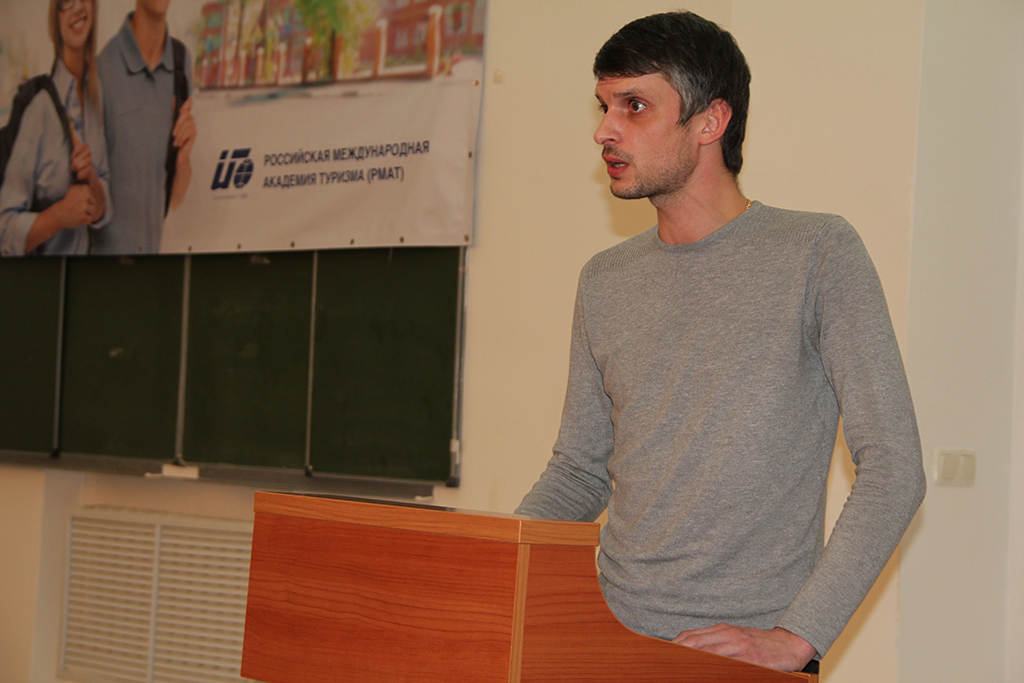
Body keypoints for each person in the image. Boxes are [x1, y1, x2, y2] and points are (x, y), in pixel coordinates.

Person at [515, 11, 926, 674]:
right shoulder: (605, 280)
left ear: (710, 121)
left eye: (634, 106)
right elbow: (579, 472)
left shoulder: (818, 252)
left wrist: (796, 637)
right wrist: (489, 563)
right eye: (604, 106)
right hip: (606, 642)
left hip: (745, 658)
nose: (604, 130)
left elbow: (894, 468)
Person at [0, 0, 110, 256]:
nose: (78, 8)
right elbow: (4, 230)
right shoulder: (40, 109)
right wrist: (60, 215)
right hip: (43, 279)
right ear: (56, 18)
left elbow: (102, 204)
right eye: (66, 2)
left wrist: (93, 182)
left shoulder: (96, 98)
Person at [94, 0, 196, 255]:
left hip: (153, 263)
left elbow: (175, 199)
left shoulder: (181, 61)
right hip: (103, 267)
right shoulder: (102, 70)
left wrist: (183, 162)